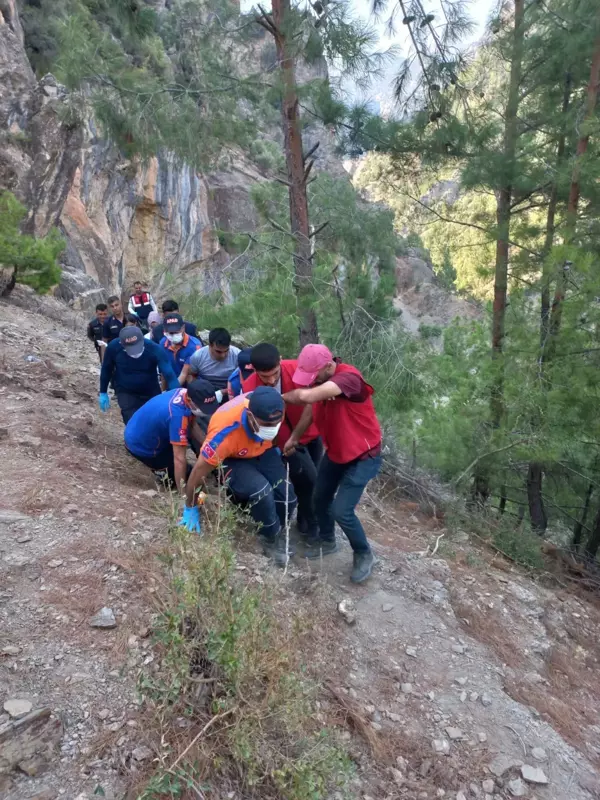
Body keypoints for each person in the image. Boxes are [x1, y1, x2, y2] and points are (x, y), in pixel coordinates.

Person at [282, 344, 382, 584]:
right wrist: (294, 438)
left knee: (341, 510)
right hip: (337, 452)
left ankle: (364, 553)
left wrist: (274, 398)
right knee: (319, 497)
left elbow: (305, 397)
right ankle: (327, 541)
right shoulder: (321, 381)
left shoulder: (348, 379)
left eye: (314, 375)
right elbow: (310, 409)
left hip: (363, 455)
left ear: (328, 366)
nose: (311, 381)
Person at [181, 387, 296, 566]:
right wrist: (191, 506)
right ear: (250, 416)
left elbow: (272, 432)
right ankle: (270, 539)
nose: (271, 429)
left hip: (261, 449)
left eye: (275, 424)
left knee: (288, 496)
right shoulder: (223, 436)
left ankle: (276, 530)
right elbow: (198, 472)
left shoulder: (275, 406)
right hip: (233, 458)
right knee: (262, 492)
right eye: (265, 425)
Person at [242, 342, 322, 540]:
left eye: (274, 373)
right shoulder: (250, 387)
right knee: (308, 481)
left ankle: (304, 520)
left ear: (280, 361)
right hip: (286, 444)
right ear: (255, 371)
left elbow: (313, 400)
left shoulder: (297, 370)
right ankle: (313, 526)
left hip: (311, 433)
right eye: (264, 376)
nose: (270, 380)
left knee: (314, 477)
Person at [124, 379, 219, 490]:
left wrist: (209, 447)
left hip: (147, 429)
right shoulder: (177, 416)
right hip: (142, 445)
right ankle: (164, 475)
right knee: (189, 479)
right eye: (202, 407)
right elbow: (179, 459)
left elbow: (192, 425)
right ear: (189, 400)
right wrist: (183, 494)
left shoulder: (184, 393)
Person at [99, 326, 179, 423]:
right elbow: (107, 368)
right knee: (132, 422)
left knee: (153, 422)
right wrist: (103, 391)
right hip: (126, 391)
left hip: (150, 391)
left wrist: (177, 396)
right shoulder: (114, 348)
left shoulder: (154, 349)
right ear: (122, 344)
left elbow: (169, 374)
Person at [182, 328, 240, 392]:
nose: (223, 355)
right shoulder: (198, 357)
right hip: (207, 391)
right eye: (218, 352)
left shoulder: (237, 355)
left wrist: (226, 391)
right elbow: (191, 376)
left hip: (231, 390)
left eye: (226, 351)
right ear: (210, 345)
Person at [158, 313, 203, 380]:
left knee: (190, 376)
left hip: (190, 382)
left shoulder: (194, 346)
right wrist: (163, 390)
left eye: (176, 332)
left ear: (183, 328)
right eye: (171, 333)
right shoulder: (163, 343)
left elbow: (184, 374)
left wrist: (174, 390)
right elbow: (164, 372)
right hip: (172, 379)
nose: (173, 335)